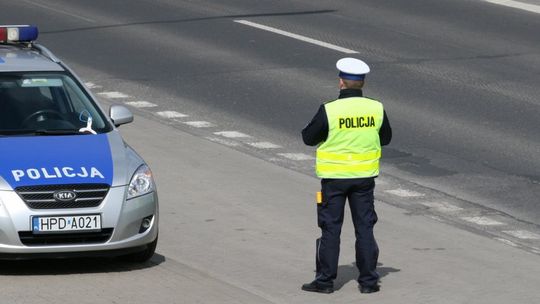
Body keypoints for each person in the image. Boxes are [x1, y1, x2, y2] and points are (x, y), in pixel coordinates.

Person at [301, 57, 392, 294]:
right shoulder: (376, 108)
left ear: (341, 82)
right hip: (364, 178)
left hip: (334, 179)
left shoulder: (330, 109)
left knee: (331, 228)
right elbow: (386, 138)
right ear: (362, 84)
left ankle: (325, 282)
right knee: (365, 228)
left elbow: (308, 138)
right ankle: (369, 283)